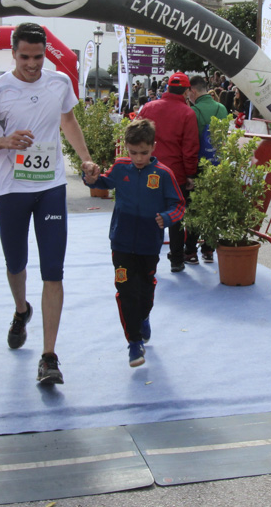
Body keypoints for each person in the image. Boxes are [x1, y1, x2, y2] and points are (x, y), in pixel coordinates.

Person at [0, 22, 98, 386]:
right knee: (16, 263)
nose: (32, 64)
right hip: (10, 190)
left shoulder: (58, 83)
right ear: (13, 53)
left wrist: (84, 158)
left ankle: (49, 356)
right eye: (25, 57)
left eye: (38, 57)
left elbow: (68, 119)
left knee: (53, 270)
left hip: (50, 187)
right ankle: (21, 310)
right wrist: (5, 141)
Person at [83, 118, 185, 367]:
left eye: (144, 152)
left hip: (149, 245)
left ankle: (143, 318)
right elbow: (102, 182)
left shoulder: (163, 174)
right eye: (133, 152)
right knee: (126, 291)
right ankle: (134, 343)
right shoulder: (120, 168)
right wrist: (91, 177)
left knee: (145, 291)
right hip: (121, 242)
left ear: (154, 147)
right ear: (126, 148)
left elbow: (179, 205)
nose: (138, 158)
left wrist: (167, 217)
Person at [137, 72, 199, 272]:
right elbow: (190, 148)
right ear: (187, 90)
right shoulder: (187, 113)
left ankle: (147, 259)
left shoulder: (148, 107)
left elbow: (134, 134)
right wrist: (190, 174)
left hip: (149, 170)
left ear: (167, 87)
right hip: (175, 173)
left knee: (148, 215)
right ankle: (177, 259)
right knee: (176, 217)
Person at [184, 75, 227, 264]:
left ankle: (191, 251)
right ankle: (208, 250)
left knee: (194, 210)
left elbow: (191, 144)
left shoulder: (192, 111)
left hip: (199, 166)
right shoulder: (222, 108)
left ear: (193, 91)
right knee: (212, 207)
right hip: (218, 166)